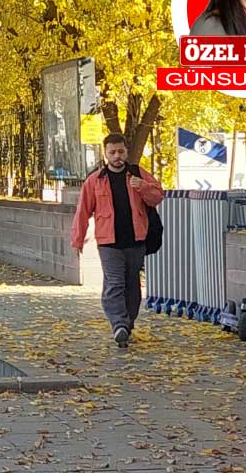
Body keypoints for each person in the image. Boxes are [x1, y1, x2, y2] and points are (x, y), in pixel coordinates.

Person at [70, 134, 164, 349]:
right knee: (114, 283)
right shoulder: (95, 180)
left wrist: (142, 186)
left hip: (136, 239)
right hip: (108, 242)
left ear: (126, 152)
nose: (117, 156)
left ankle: (127, 324)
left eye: (120, 151)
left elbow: (158, 196)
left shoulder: (138, 174)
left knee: (132, 283)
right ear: (106, 154)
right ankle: (118, 324)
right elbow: (82, 212)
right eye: (112, 152)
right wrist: (78, 240)